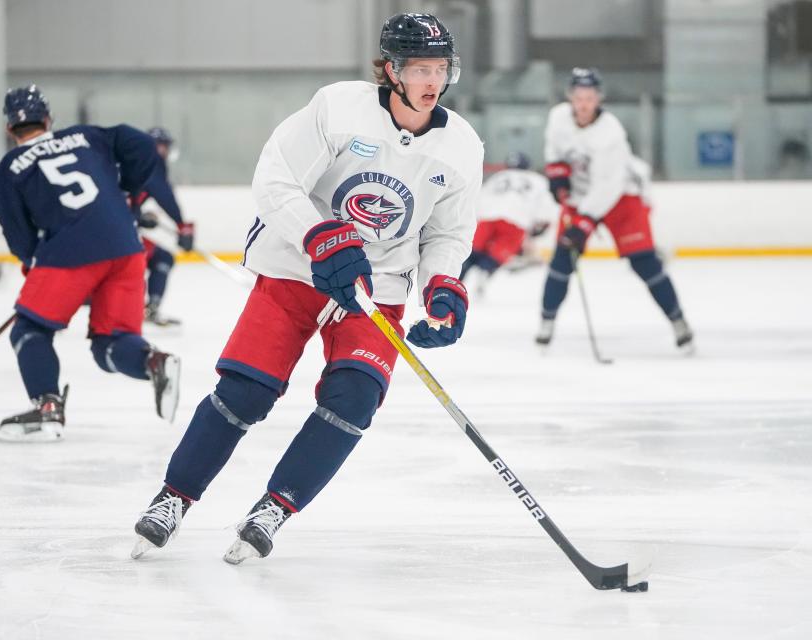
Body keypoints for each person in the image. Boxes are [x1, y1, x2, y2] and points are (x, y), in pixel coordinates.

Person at [130, 13, 484, 564]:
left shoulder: (461, 146)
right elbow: (274, 180)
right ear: (391, 70)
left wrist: (443, 286)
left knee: (357, 397)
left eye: (440, 68)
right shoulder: (337, 108)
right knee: (247, 390)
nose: (431, 81)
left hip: (379, 284)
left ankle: (274, 508)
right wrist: (321, 236)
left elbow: (448, 233)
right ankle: (173, 497)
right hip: (296, 267)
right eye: (419, 68)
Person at [0, 85, 182, 443]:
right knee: (111, 342)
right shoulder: (86, 136)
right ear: (48, 119)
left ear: (8, 128)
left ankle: (47, 408)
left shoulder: (4, 173)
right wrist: (125, 188)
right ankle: (154, 362)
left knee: (29, 330)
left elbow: (20, 237)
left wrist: (33, 261)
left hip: (68, 252)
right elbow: (139, 143)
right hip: (126, 246)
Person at [536, 68, 693, 350]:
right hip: (582, 194)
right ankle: (546, 324)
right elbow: (554, 150)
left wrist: (583, 224)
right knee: (562, 259)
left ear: (599, 99)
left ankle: (678, 322)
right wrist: (557, 177)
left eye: (590, 97)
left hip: (622, 196)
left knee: (644, 262)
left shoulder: (611, 134)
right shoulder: (559, 117)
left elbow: (607, 186)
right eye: (579, 97)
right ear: (570, 97)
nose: (583, 104)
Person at [460, 151, 557, 285]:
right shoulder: (538, 180)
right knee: (494, 258)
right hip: (516, 222)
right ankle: (485, 270)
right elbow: (546, 206)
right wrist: (542, 224)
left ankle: (455, 282)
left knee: (471, 253)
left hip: (488, 218)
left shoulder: (499, 176)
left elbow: (479, 197)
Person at [131, 127, 195, 326]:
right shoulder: (150, 162)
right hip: (113, 234)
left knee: (160, 257)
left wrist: (137, 216)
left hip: (110, 228)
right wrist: (182, 225)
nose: (166, 152)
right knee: (133, 264)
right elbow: (163, 192)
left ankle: (148, 310)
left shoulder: (129, 163)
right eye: (165, 147)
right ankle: (130, 313)